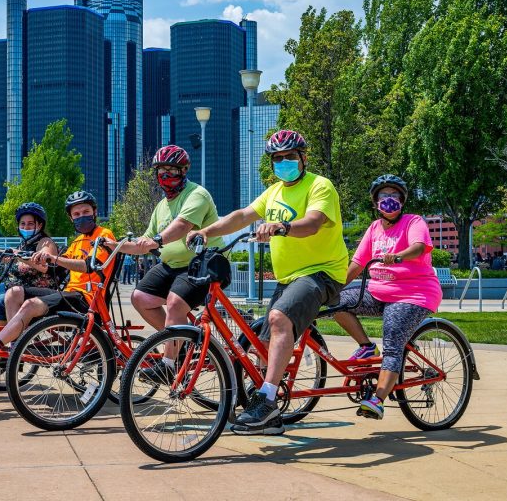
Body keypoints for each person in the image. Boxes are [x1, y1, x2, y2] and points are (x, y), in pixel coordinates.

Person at [187, 130, 348, 435]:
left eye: (290, 156)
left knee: (278, 318)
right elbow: (240, 216)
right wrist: (206, 232)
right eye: (277, 158)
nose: (284, 162)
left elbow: (313, 223)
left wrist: (282, 226)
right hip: (289, 278)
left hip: (322, 273)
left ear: (303, 158)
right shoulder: (273, 192)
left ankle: (268, 400)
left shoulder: (319, 186)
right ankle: (270, 417)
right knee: (259, 341)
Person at [0, 191, 116, 366]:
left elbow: (89, 266)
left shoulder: (104, 235)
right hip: (69, 294)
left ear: (95, 212)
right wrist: (9, 254)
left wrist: (53, 257)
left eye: (86, 212)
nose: (81, 217)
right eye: (76, 214)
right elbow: (54, 268)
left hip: (87, 299)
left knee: (30, 305)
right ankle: (15, 347)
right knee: (14, 292)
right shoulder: (77, 241)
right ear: (71, 218)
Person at [333, 175, 442, 420]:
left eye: (394, 196)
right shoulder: (374, 228)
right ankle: (366, 347)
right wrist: (334, 287)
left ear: (402, 200)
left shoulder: (414, 221)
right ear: (375, 203)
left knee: (392, 339)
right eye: (383, 196)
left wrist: (399, 256)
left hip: (413, 293)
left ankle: (377, 399)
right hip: (379, 290)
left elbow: (419, 247)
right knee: (335, 302)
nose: (388, 200)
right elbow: (358, 263)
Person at [112, 145, 224, 380]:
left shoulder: (196, 194)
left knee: (174, 303)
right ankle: (180, 340)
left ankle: (169, 363)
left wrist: (156, 240)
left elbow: (182, 226)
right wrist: (114, 245)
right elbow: (143, 244)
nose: (166, 176)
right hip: (171, 265)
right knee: (140, 297)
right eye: (161, 171)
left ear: (184, 170)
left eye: (172, 171)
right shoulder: (160, 207)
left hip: (201, 263)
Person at [0, 203, 60, 327]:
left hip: (38, 292)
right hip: (13, 288)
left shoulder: (45, 242)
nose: (26, 227)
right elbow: (15, 256)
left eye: (30, 223)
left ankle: (9, 342)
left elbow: (44, 265)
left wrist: (17, 254)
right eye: (23, 224)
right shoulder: (24, 245)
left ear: (40, 225)